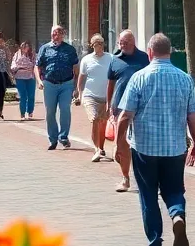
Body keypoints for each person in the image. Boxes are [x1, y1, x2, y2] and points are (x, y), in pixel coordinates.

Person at [117, 33, 195, 246]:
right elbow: (194, 115)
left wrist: (119, 144)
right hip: (175, 148)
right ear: (170, 52)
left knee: (148, 197)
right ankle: (177, 215)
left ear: (150, 52)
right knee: (174, 190)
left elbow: (126, 115)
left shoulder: (139, 78)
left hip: (145, 148)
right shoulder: (185, 79)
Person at [107, 30, 150, 193]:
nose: (122, 45)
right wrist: (109, 103)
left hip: (142, 108)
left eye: (125, 42)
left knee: (143, 144)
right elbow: (110, 83)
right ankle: (125, 178)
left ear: (133, 42)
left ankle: (149, 179)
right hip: (120, 108)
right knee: (122, 144)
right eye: (120, 42)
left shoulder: (144, 58)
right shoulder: (115, 59)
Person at [37, 25, 80, 150]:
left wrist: (76, 86)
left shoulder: (70, 49)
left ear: (63, 35)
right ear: (51, 34)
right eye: (55, 33)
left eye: (60, 33)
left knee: (65, 109)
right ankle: (53, 139)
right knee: (50, 112)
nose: (57, 35)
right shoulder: (44, 49)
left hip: (66, 84)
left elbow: (76, 68)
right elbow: (37, 66)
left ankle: (64, 137)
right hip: (49, 83)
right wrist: (39, 80)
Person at [76, 34, 113, 162]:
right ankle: (97, 149)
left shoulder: (111, 58)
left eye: (101, 43)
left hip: (106, 97)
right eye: (96, 43)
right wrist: (79, 94)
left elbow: (115, 78)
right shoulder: (86, 60)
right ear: (92, 45)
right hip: (90, 95)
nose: (99, 46)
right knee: (95, 119)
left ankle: (101, 148)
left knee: (103, 123)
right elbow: (81, 79)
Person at [11, 41, 38, 120]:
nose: (26, 48)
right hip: (20, 77)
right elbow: (13, 63)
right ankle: (22, 113)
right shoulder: (17, 54)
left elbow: (36, 64)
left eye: (27, 46)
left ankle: (30, 111)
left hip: (30, 77)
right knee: (23, 96)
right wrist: (14, 67)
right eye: (24, 46)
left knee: (31, 95)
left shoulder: (33, 55)